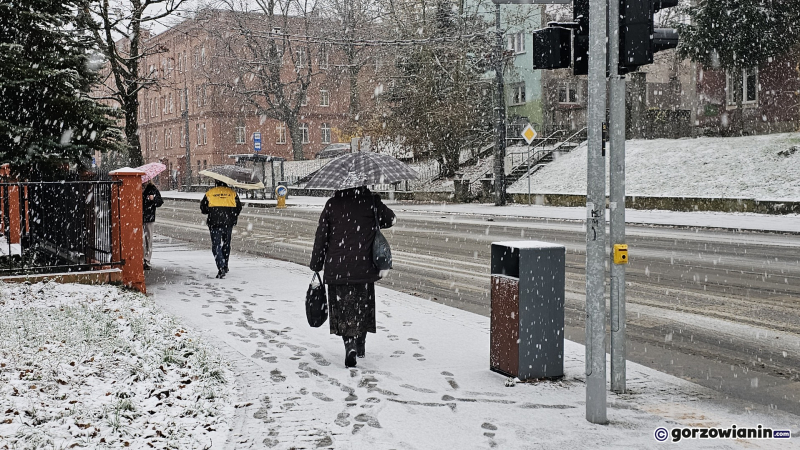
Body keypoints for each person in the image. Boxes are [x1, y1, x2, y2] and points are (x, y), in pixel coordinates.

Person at [310, 186, 395, 368]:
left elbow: (321, 237)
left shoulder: (333, 204)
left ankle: (350, 345)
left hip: (338, 267)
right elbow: (390, 220)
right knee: (362, 306)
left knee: (343, 309)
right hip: (364, 267)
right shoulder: (370, 202)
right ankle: (360, 345)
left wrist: (316, 263)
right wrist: (374, 203)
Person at [200, 180, 242, 279]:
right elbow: (238, 208)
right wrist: (231, 215)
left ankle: (221, 266)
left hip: (214, 222)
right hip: (228, 223)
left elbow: (203, 209)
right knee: (226, 244)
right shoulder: (232, 193)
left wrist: (212, 211)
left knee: (216, 245)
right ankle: (225, 264)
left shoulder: (210, 193)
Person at [142, 180, 163, 270]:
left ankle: (147, 260)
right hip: (138, 217)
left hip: (149, 217)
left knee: (148, 240)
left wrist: (153, 199)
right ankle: (141, 258)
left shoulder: (152, 189)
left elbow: (160, 202)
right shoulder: (136, 187)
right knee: (141, 240)